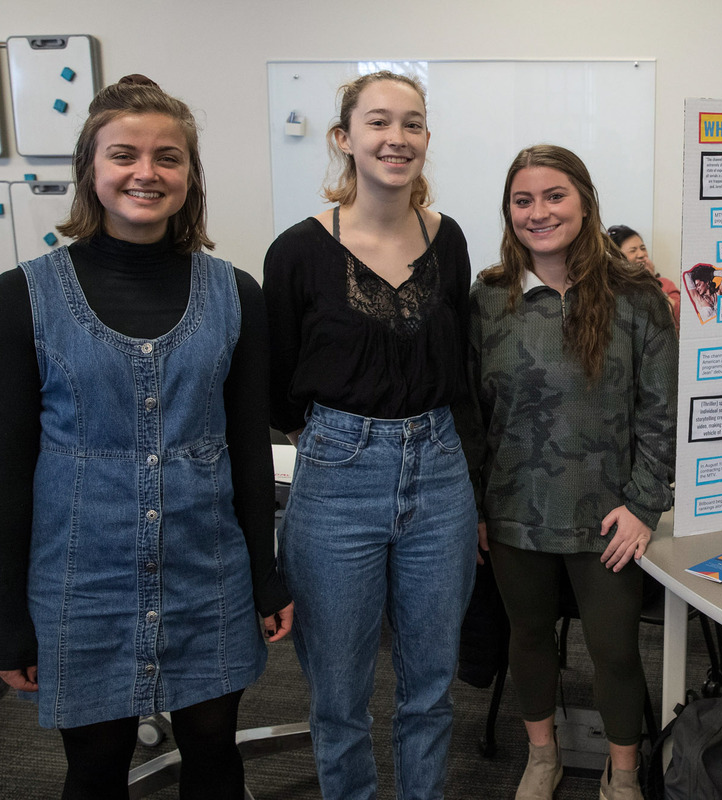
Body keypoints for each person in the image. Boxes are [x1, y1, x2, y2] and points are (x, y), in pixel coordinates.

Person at [0, 75, 293, 799]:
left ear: (190, 177)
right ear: (90, 171)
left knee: (215, 751)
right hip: (79, 579)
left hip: (206, 571)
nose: (146, 173)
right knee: (96, 762)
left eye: (169, 158)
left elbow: (250, 450)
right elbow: (4, 468)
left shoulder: (234, 292)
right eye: (124, 154)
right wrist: (3, 615)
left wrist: (265, 573)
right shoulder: (20, 296)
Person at [263, 71, 476, 800]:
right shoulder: (295, 251)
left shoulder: (451, 242)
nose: (397, 138)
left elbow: (463, 371)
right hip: (336, 474)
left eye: (412, 123)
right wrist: (344, 437)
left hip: (441, 474)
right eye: (379, 122)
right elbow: (278, 383)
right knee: (339, 698)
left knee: (429, 690)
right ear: (343, 138)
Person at [462, 145, 677, 800]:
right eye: (522, 200)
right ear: (508, 211)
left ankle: (624, 772)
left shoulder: (636, 296)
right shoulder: (489, 298)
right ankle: (542, 756)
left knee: (613, 652)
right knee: (527, 638)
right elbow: (471, 413)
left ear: (583, 200)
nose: (539, 212)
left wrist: (643, 505)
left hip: (608, 516)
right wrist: (475, 506)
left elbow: (660, 411)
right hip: (514, 510)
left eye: (554, 196)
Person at [607, 224, 680, 329]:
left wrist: (651, 283)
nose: (641, 254)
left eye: (643, 248)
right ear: (616, 258)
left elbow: (678, 317)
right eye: (633, 250)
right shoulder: (610, 289)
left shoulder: (665, 284)